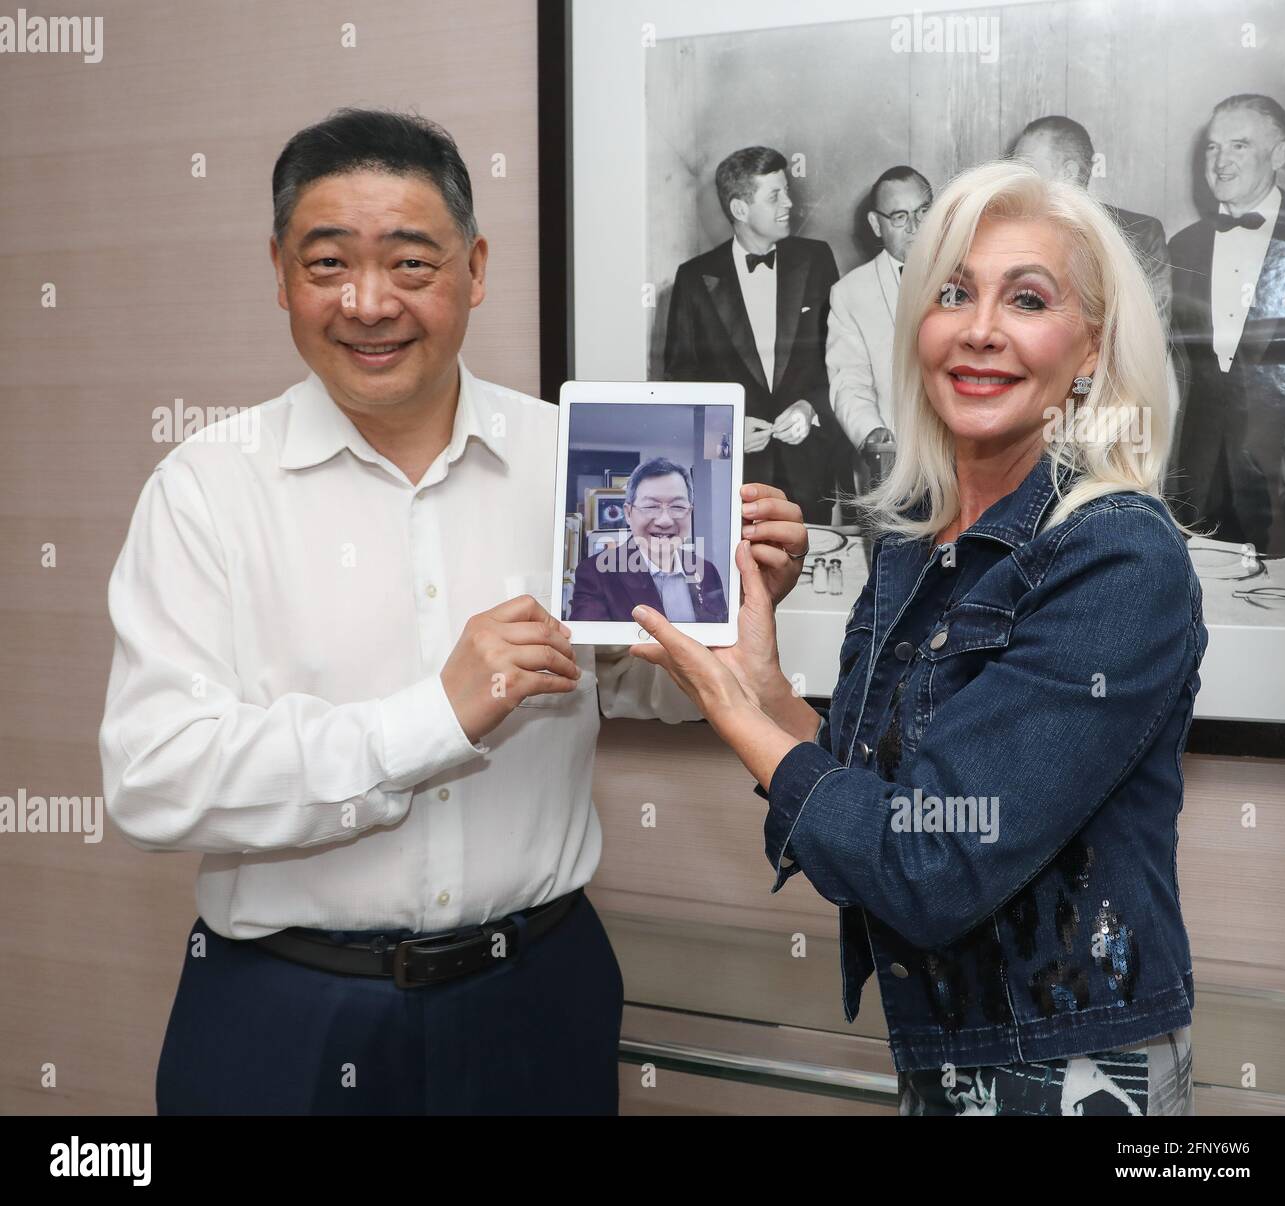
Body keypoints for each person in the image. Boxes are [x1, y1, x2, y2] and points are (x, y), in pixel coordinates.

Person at [97, 108, 807, 1116]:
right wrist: (435, 716)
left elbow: (640, 685)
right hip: (286, 1015)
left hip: (536, 997)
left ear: (474, 270)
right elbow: (153, 778)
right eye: (328, 263)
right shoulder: (207, 488)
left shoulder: (573, 458)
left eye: (411, 265)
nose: (368, 301)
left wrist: (727, 618)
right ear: (280, 273)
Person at [628, 160, 1207, 1116]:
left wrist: (740, 720)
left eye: (1027, 299)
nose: (979, 329)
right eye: (952, 293)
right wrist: (763, 685)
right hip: (936, 1057)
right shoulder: (911, 543)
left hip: (1073, 1069)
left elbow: (934, 861)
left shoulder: (1117, 555)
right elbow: (873, 823)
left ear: (1091, 350)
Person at [663, 146, 848, 524]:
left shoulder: (816, 259)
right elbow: (681, 379)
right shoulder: (694, 278)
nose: (790, 204)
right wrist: (725, 429)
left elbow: (841, 355)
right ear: (740, 209)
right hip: (733, 474)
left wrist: (810, 407)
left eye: (787, 191)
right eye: (775, 195)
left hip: (810, 470)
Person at [1167, 93, 1285, 555]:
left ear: (1280, 154)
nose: (1220, 161)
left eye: (1239, 145)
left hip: (1284, 488)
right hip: (1194, 483)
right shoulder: (1181, 248)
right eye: (1212, 146)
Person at [826, 166, 933, 492]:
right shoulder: (850, 293)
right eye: (900, 217)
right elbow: (849, 381)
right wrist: (871, 432)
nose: (915, 227)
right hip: (894, 468)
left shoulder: (971, 272)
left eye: (923, 211)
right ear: (876, 224)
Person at [1012, 116, 1172, 327]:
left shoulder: (1141, 236)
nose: (1014, 177)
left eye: (1026, 166)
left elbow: (1151, 333)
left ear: (1068, 173)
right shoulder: (1009, 234)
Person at [568, 457, 727, 623]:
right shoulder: (596, 574)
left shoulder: (707, 572)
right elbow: (591, 646)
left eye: (678, 507)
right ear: (628, 514)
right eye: (651, 507)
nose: (664, 521)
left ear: (689, 513)